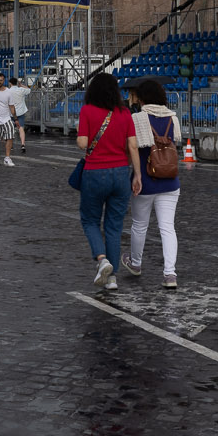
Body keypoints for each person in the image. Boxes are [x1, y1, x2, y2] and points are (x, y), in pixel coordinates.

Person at [73, 71, 137, 291]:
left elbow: (82, 144)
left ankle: (102, 260)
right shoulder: (125, 113)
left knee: (90, 220)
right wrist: (136, 174)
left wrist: (83, 136)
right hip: (120, 173)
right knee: (114, 227)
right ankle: (112, 279)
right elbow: (133, 146)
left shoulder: (87, 110)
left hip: (95, 172)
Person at [123, 78, 183, 288]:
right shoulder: (173, 118)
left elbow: (131, 148)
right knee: (168, 227)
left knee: (139, 225)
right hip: (170, 179)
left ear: (142, 97)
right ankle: (170, 274)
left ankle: (136, 263)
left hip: (145, 179)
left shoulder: (137, 118)